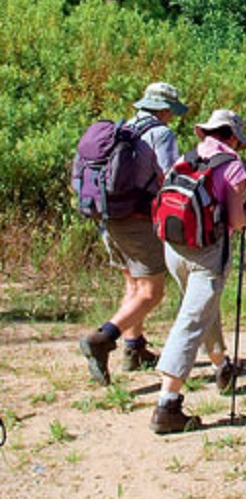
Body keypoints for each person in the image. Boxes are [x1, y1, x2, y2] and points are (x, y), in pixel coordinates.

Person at [150, 109, 246, 434]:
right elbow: (236, 220)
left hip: (174, 247)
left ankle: (222, 365)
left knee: (201, 307)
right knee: (192, 319)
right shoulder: (233, 166)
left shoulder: (188, 157)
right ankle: (167, 404)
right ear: (233, 136)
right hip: (208, 252)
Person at [78, 81, 188, 385]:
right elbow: (169, 176)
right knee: (152, 291)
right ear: (164, 110)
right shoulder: (161, 133)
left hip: (108, 216)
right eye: (172, 111)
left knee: (134, 284)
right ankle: (102, 338)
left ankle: (134, 347)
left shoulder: (123, 129)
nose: (172, 117)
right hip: (138, 219)